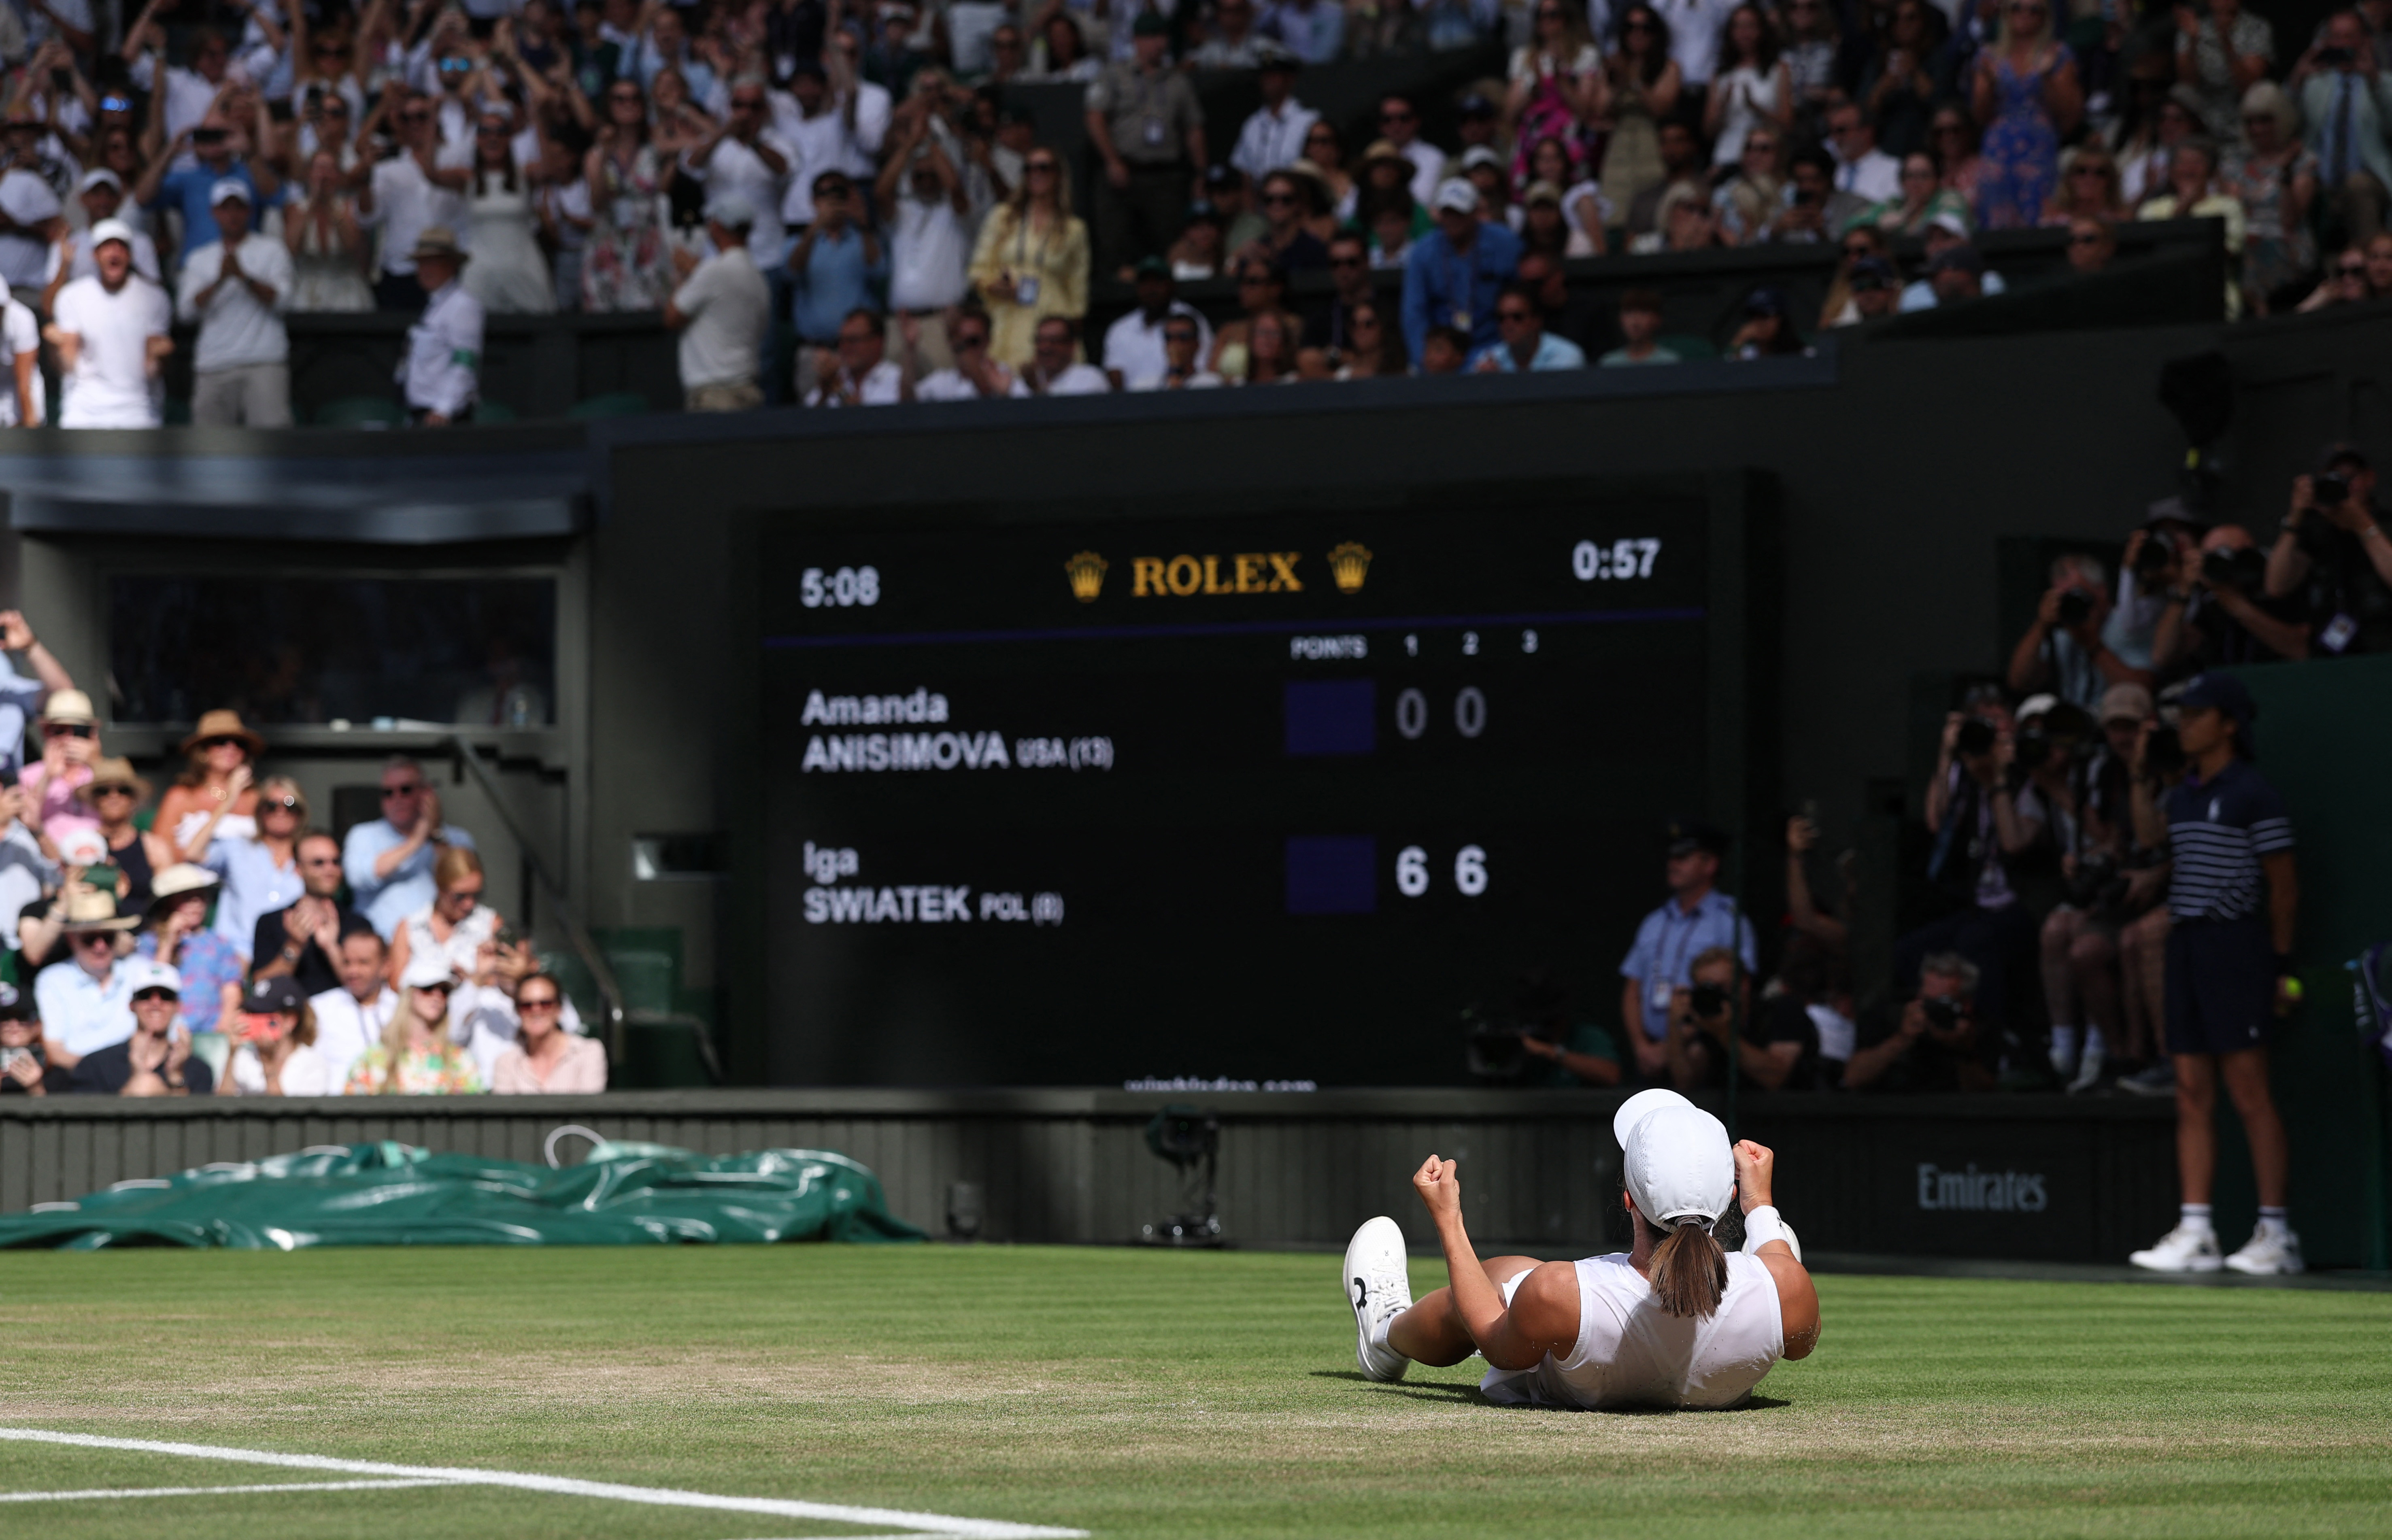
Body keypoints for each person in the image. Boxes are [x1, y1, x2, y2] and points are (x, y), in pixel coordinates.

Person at [1340, 1092, 1817, 1406]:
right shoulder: (1786, 1287)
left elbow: (1496, 1344)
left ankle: (1386, 1332)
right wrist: (1760, 1204)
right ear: (1729, 1195)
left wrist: (1449, 1221)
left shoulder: (1560, 1291)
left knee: (1501, 1278)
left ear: (1627, 1200)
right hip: (1716, 1370)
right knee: (1774, 1260)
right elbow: (1797, 1334)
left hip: (1568, 1356)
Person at [2127, 673, 2301, 1274]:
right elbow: (2148, 836)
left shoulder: (2253, 793)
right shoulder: (2182, 795)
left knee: (2249, 1092)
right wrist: (2138, 772)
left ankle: (2277, 1233)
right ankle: (2197, 1229)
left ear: (2228, 724)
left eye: (2197, 714)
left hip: (2236, 947)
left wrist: (2279, 967)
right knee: (2190, 1091)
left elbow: (2283, 889)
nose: (2185, 723)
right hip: (2186, 945)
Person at [1618, 818, 1756, 1084]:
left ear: (1710, 864)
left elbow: (1738, 992)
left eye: (1683, 858)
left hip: (1702, 1052)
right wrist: (1641, 1046)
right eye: (1672, 857)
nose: (1673, 864)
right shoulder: (1654, 921)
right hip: (1649, 1057)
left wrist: (1672, 1046)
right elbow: (1632, 988)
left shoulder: (1729, 921)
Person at [1084, 14, 1205, 275]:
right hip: (1124, 171)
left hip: (1165, 175)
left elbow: (1193, 128)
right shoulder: (1114, 75)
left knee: (1169, 243)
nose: (1158, 44)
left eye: (1162, 37)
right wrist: (1112, 161)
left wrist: (1200, 173)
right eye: (1151, 37)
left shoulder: (1178, 81)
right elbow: (1095, 118)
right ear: (1136, 41)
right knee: (1116, 245)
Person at [173, 180, 293, 428]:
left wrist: (244, 278)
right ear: (214, 213)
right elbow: (186, 312)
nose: (233, 215)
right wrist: (220, 280)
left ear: (249, 212)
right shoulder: (199, 258)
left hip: (263, 361)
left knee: (271, 445)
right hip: (213, 364)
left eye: (239, 208)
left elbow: (284, 301)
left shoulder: (273, 250)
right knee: (210, 446)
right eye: (225, 209)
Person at [2264, 446, 2392, 656]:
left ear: (2370, 479)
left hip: (2382, 649)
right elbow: (2276, 586)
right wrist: (2295, 519)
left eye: (2351, 478)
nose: (2345, 487)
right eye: (2334, 479)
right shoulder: (2315, 531)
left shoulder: (2385, 526)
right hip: (2328, 653)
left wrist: (2364, 526)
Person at [969, 147, 1089, 367]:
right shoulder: (1002, 217)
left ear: (1058, 175)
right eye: (1029, 169)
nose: (1036, 174)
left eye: (1043, 168)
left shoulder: (1074, 229)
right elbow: (979, 268)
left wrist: (1071, 332)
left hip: (1050, 317)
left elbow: (1077, 291)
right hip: (1007, 316)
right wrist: (995, 286)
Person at [45, 219, 171, 429]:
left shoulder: (155, 298)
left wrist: (161, 356)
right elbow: (67, 365)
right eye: (107, 247)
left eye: (121, 247)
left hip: (139, 411)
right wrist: (54, 347)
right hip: (84, 411)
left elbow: (152, 369)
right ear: (94, 255)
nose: (114, 253)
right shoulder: (71, 296)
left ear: (131, 256)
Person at [1969, 0, 2082, 229]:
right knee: (1996, 215)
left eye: (2035, 10)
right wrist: (1989, 84)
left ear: (2045, 17)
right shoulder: (1988, 56)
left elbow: (2069, 117)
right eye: (2017, 8)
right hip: (1999, 147)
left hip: (2039, 146)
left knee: (2038, 214)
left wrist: (2047, 79)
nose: (2025, 14)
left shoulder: (2058, 54)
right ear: (2006, 14)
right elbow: (1979, 116)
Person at [359, 90, 470, 313]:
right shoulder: (386, 169)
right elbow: (368, 219)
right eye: (406, 118)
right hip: (402, 271)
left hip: (450, 268)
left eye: (422, 116)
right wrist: (363, 179)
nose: (415, 123)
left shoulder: (458, 156)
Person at [344, 756, 478, 939]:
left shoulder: (458, 839)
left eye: (406, 790)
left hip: (440, 946)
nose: (397, 798)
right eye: (388, 793)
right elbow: (359, 878)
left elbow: (463, 883)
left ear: (427, 792)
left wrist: (435, 834)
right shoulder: (363, 834)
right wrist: (416, 840)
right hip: (380, 948)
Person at [1399, 179, 1522, 367]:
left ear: (1475, 212)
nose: (1452, 220)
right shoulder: (1423, 252)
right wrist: (1426, 358)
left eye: (1459, 213)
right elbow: (1414, 312)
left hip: (1496, 344)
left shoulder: (1505, 243)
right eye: (1447, 213)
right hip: (1444, 352)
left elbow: (1522, 298)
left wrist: (1509, 353)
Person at [2296, 11, 2392, 247]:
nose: (2343, 44)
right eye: (2337, 37)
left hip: (2370, 180)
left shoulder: (2383, 83)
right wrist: (2297, 77)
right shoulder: (2316, 83)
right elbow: (2281, 123)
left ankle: (2370, 258)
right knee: (2297, 183)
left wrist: (2375, 81)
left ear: (2365, 40)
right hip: (2321, 179)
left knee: (2357, 185)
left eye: (2350, 36)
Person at [2007, 552, 2149, 711]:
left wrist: (2094, 645)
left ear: (2101, 590)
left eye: (2078, 594)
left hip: (2117, 718)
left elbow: (2142, 689)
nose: (2073, 604)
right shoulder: (2063, 634)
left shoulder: (2129, 625)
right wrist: (2041, 626)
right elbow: (2020, 682)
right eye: (2065, 598)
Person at [666, 196, 770, 411]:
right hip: (749, 391)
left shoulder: (712, 271)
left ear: (717, 226)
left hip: (715, 397)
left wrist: (681, 277)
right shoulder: (758, 277)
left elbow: (672, 317)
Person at [188, 773, 309, 955]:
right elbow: (193, 853)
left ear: (301, 812)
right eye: (271, 805)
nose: (281, 811)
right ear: (260, 811)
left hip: (286, 955)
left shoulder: (311, 859)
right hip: (235, 954)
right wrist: (227, 803)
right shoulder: (238, 848)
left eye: (290, 804)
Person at [2227, 82, 2318, 314]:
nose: (2257, 128)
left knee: (2263, 244)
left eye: (2264, 120)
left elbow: (2290, 221)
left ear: (2281, 119)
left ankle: (2270, 312)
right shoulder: (2235, 163)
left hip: (2287, 238)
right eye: (2250, 122)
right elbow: (2233, 209)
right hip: (2245, 234)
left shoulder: (2302, 162)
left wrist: (2285, 173)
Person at [250, 830, 373, 1000]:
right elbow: (262, 988)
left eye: (336, 862)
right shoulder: (272, 922)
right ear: (298, 869)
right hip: (292, 1013)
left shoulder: (359, 924)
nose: (330, 869)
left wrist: (331, 948)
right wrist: (294, 946)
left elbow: (367, 992)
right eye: (318, 863)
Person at [1843, 952, 1992, 1091]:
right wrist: (1902, 1039)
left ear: (1966, 1005)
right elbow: (1853, 1079)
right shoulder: (1890, 1014)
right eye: (1927, 1001)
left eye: (1943, 1003)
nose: (1933, 1010)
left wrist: (1962, 1050)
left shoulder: (1978, 1027)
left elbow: (1987, 1093)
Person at [66, 957, 212, 1096]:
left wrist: (176, 1077)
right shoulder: (96, 1066)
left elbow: (197, 1114)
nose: (156, 1004)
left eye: (166, 996)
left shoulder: (198, 1070)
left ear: (178, 1007)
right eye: (146, 996)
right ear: (131, 1005)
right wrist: (138, 1075)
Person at [32, 885, 138, 1073]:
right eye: (90, 938)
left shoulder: (138, 971)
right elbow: (55, 1050)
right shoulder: (53, 980)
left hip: (134, 1073)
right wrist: (104, 1075)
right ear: (72, 940)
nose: (100, 947)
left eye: (108, 937)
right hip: (79, 1078)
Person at [461, 112, 556, 316]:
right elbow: (430, 172)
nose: (493, 137)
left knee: (538, 326)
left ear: (510, 138)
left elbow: (550, 168)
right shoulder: (467, 177)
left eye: (501, 131)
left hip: (524, 268)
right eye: (485, 131)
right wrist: (432, 117)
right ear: (477, 139)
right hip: (481, 272)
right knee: (473, 326)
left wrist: (538, 117)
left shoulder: (525, 174)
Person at [345, 955, 483, 1094]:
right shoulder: (374, 1059)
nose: (437, 996)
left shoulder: (460, 1061)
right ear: (409, 994)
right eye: (428, 988)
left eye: (444, 991)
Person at [136, 864, 242, 1037]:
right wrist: (169, 941)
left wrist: (222, 1032)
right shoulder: (149, 942)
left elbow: (231, 991)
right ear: (170, 903)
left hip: (210, 1034)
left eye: (201, 897)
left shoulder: (219, 944)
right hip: (164, 1035)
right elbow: (153, 983)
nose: (197, 904)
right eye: (187, 898)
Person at [397, 228, 483, 426]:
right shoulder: (432, 305)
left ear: (452, 265)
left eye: (433, 263)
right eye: (421, 263)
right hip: (421, 415)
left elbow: (465, 362)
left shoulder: (463, 306)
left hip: (443, 420)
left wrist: (444, 409)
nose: (425, 270)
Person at [154, 709, 263, 862]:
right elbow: (161, 852)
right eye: (221, 741)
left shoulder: (256, 798)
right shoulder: (180, 796)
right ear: (203, 752)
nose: (231, 747)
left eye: (239, 743)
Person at [72, 759, 171, 920]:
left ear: (133, 799)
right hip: (96, 929)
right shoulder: (82, 845)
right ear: (95, 800)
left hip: (143, 928)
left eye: (123, 790)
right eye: (104, 791)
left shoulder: (154, 847)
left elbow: (168, 899)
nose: (114, 796)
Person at [283, 149, 375, 312]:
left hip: (346, 290)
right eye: (319, 168)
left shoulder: (349, 207)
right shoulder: (296, 209)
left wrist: (330, 205)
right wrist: (313, 202)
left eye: (329, 169)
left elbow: (352, 246)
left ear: (338, 176)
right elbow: (292, 249)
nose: (323, 175)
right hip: (308, 291)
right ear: (309, 174)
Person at [491, 970, 608, 1092]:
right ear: (518, 1012)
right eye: (527, 1005)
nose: (536, 1011)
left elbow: (590, 1102)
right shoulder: (506, 1063)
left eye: (545, 1004)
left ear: (559, 1009)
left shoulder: (587, 1052)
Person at [1105, 256, 1211, 391]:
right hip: (1136, 399)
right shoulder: (1120, 329)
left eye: (1158, 282)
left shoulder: (1190, 319)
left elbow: (1203, 366)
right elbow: (1115, 377)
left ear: (1171, 285)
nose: (1151, 289)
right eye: (1145, 283)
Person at [2176, 0, 2275, 142]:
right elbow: (2188, 83)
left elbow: (2249, 86)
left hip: (2241, 113)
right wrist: (2193, 42)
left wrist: (2225, 41)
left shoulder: (2256, 27)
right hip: (2204, 111)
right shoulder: (2195, 26)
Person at [310, 928, 395, 1092]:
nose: (353, 971)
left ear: (385, 967)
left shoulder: (401, 1010)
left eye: (363, 963)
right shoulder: (319, 1008)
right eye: (347, 963)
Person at [221, 974, 334, 1096]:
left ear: (290, 1020)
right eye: (253, 1014)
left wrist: (269, 1066)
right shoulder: (244, 1056)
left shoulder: (313, 1065)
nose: (257, 1021)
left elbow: (285, 1109)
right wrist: (232, 1055)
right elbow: (222, 1104)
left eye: (266, 1016)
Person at [1231, 49, 1317, 185]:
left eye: (1273, 76)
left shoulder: (1308, 122)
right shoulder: (1253, 124)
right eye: (1264, 76)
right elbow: (1242, 170)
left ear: (1290, 79)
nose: (1267, 81)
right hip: (1260, 195)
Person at [1468, 282, 1585, 372]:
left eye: (1517, 317)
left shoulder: (1566, 356)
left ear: (1537, 320)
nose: (1508, 325)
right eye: (1501, 318)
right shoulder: (1488, 360)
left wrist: (1500, 383)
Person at [1825, 101, 1902, 203]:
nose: (1835, 138)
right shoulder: (1829, 172)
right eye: (1831, 131)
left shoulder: (1894, 170)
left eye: (1841, 130)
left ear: (1866, 131)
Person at [1023, 316, 1112, 395]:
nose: (1045, 348)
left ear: (1071, 345)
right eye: (1040, 341)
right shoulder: (1026, 380)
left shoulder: (1090, 379)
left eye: (1054, 341)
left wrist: (1037, 391)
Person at [1599, 286, 1679, 365]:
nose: (1635, 322)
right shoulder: (1610, 363)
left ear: (1657, 319)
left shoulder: (1669, 362)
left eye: (1644, 312)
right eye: (1629, 312)